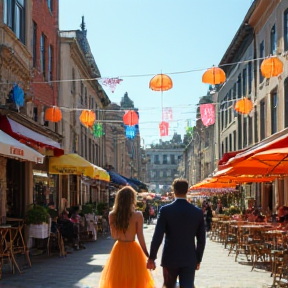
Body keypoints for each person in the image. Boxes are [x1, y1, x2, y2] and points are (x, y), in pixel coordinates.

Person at [147, 178, 206, 288]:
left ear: (174, 191)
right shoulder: (197, 212)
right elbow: (202, 240)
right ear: (187, 191)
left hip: (170, 258)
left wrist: (152, 257)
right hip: (189, 258)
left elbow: (158, 236)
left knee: (169, 286)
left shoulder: (165, 211)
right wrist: (198, 259)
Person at [99, 186, 154, 288]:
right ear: (132, 199)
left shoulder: (112, 215)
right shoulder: (138, 215)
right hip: (134, 250)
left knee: (117, 281)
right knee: (135, 281)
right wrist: (147, 255)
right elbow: (140, 237)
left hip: (119, 249)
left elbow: (114, 236)